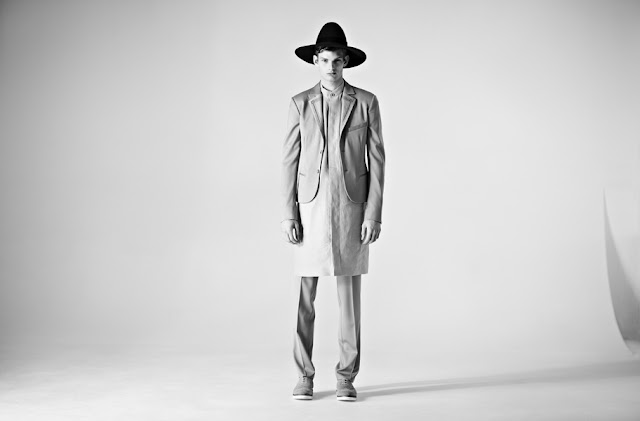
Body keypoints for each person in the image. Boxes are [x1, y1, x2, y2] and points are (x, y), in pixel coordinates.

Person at [281, 22, 386, 402]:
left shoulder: (366, 102)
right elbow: (289, 160)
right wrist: (289, 213)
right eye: (325, 60)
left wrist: (373, 214)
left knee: (348, 301)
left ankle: (346, 377)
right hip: (310, 208)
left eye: (337, 61)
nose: (331, 67)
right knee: (305, 298)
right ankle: (303, 376)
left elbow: (377, 160)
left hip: (351, 208)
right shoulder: (300, 103)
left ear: (346, 63)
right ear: (315, 61)